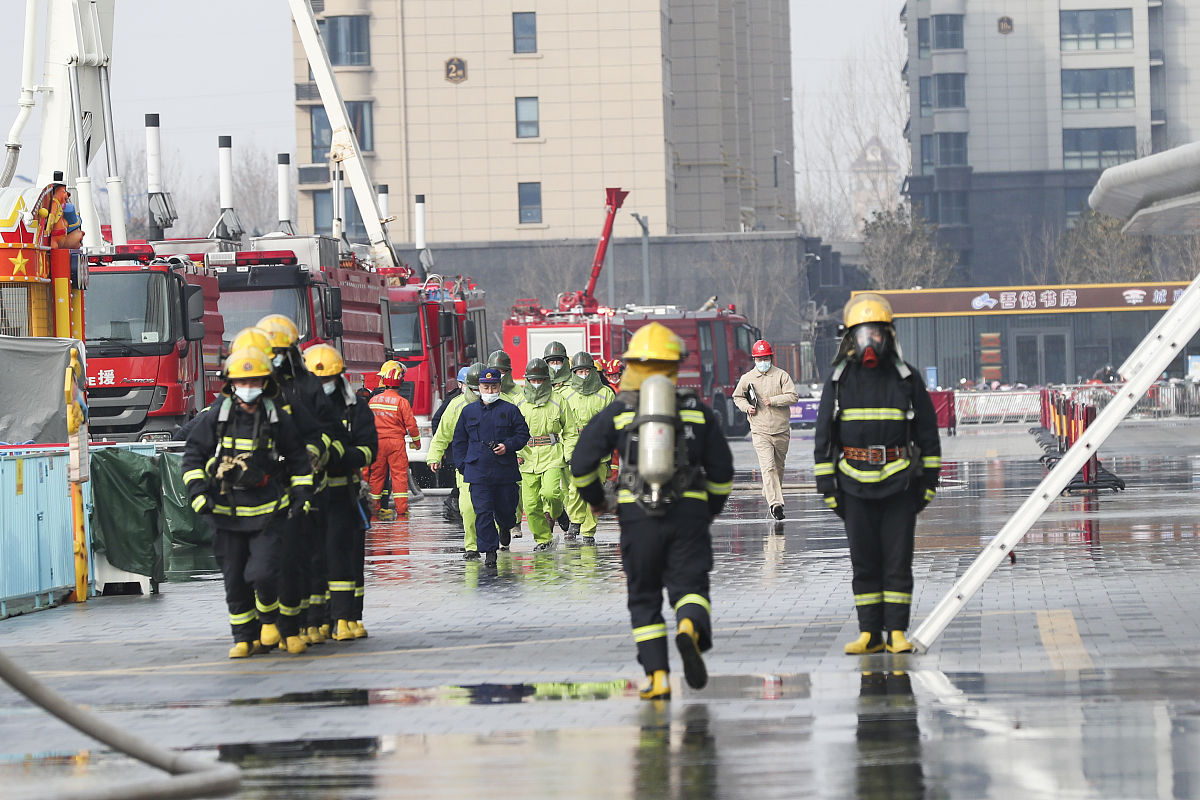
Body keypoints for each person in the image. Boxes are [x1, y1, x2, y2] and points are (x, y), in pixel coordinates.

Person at [570, 323, 733, 699]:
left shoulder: (620, 411)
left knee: (644, 596)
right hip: (688, 513)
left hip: (637, 515)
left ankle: (657, 678)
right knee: (689, 586)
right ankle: (689, 629)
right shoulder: (697, 411)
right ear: (676, 365)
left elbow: (581, 462)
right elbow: (723, 471)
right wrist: (708, 508)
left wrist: (597, 500)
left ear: (633, 365)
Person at [813, 293, 941, 656]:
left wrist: (926, 487)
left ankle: (897, 632)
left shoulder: (906, 378)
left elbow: (928, 437)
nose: (870, 342)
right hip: (852, 486)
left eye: (877, 334)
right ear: (850, 339)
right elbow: (824, 438)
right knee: (864, 563)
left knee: (898, 563)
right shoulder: (838, 380)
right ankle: (870, 633)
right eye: (863, 334)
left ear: (889, 336)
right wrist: (828, 488)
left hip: (900, 485)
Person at [183, 346, 314, 658]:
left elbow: (298, 460)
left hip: (267, 510)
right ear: (231, 384)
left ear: (265, 384)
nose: (249, 388)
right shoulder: (218, 416)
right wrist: (199, 495)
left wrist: (302, 496)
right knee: (234, 578)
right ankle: (245, 638)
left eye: (256, 382)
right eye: (243, 382)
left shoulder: (276, 417)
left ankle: (268, 619)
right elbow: (191, 458)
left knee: (264, 573)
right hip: (225, 512)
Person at [256, 313, 344, 646]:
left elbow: (327, 431)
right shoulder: (251, 385)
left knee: (308, 556)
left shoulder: (307, 386)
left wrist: (313, 454)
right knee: (264, 560)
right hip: (265, 487)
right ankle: (267, 624)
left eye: (279, 351)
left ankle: (309, 621)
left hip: (308, 484)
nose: (274, 357)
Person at [304, 344, 378, 642]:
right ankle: (317, 620)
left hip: (343, 494)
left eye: (328, 380)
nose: (323, 386)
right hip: (307, 495)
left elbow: (367, 450)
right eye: (317, 380)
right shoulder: (298, 406)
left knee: (345, 559)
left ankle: (347, 617)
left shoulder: (353, 407)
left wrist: (335, 456)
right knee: (312, 560)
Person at [450, 367, 530, 568]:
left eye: (494, 386)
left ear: (499, 387)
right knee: (483, 512)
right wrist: (463, 466)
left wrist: (508, 446)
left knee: (506, 511)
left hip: (504, 471)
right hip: (478, 471)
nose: (490, 390)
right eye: (486, 386)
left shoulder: (509, 409)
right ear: (479, 388)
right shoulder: (468, 412)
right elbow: (459, 441)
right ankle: (489, 552)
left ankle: (505, 526)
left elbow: (522, 434)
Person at [732, 339, 799, 520]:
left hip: (781, 430)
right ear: (754, 359)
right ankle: (775, 504)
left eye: (765, 358)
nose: (763, 362)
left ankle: (770, 492)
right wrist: (747, 407)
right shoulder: (747, 378)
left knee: (777, 468)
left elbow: (793, 396)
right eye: (759, 359)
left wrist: (774, 400)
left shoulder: (781, 376)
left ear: (770, 357)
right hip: (760, 431)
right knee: (767, 467)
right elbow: (737, 396)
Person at [514, 358, 570, 551]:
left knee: (551, 493)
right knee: (530, 505)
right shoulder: (518, 402)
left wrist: (569, 453)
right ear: (527, 380)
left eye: (540, 380)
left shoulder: (558, 400)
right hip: (526, 456)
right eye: (533, 380)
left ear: (547, 380)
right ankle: (543, 539)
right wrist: (515, 453)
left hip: (552, 454)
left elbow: (569, 430)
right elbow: (510, 431)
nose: (536, 384)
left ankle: (558, 510)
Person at [560, 352, 616, 543]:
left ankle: (588, 532)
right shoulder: (565, 395)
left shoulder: (606, 393)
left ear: (593, 371)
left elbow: (613, 423)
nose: (583, 374)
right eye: (579, 371)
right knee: (576, 486)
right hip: (575, 447)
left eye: (586, 370)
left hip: (599, 449)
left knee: (595, 491)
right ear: (573, 372)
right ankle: (575, 522)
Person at [429, 363, 483, 558]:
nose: (478, 392)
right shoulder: (456, 405)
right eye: (474, 388)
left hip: (494, 465)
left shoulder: (502, 403)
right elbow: (442, 432)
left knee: (494, 508)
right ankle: (471, 547)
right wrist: (435, 455)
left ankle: (496, 541)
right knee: (468, 508)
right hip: (467, 464)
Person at [368, 363, 421, 519]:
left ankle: (374, 508)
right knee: (399, 476)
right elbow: (411, 424)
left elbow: (367, 422)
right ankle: (402, 509)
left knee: (376, 476)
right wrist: (417, 443)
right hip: (396, 443)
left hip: (377, 443)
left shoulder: (373, 401)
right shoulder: (402, 402)